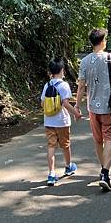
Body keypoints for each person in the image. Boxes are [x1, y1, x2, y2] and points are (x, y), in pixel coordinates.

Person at [76, 28, 111, 192]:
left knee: (98, 141)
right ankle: (105, 173)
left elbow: (81, 86)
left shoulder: (85, 61)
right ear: (102, 41)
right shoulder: (110, 58)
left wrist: (77, 106)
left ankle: (103, 170)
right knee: (109, 140)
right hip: (109, 108)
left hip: (92, 109)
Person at [41, 58, 82, 186]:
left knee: (51, 146)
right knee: (65, 145)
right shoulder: (64, 85)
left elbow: (42, 103)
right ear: (62, 70)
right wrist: (76, 113)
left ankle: (51, 174)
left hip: (49, 121)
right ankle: (69, 166)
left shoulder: (47, 85)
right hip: (62, 122)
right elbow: (65, 103)